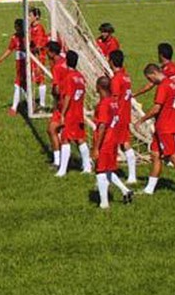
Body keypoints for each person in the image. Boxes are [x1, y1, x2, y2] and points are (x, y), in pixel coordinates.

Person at [134, 64, 175, 195]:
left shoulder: (163, 86)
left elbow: (157, 108)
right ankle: (149, 189)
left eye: (150, 79)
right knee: (155, 155)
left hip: (165, 127)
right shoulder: (173, 85)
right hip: (166, 124)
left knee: (173, 155)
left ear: (153, 74)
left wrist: (141, 120)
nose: (151, 82)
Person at [92, 76, 133, 209]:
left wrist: (96, 148)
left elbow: (103, 125)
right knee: (108, 169)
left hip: (105, 142)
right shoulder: (114, 103)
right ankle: (125, 191)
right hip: (113, 140)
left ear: (99, 87)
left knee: (100, 171)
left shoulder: (104, 104)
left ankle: (104, 203)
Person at [55, 50, 92, 177]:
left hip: (70, 113)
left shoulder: (68, 77)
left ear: (66, 62)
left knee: (65, 139)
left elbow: (68, 97)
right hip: (79, 111)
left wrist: (63, 114)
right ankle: (87, 166)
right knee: (80, 138)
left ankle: (62, 170)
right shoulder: (80, 77)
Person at [108, 50, 137, 183]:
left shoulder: (116, 79)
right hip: (126, 113)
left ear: (111, 62)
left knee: (121, 144)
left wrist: (111, 115)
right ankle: (129, 175)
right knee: (123, 143)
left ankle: (126, 175)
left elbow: (114, 98)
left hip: (118, 115)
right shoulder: (126, 76)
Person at [0, 18, 25, 116]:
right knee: (22, 85)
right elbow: (9, 50)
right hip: (19, 65)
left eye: (17, 27)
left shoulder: (27, 36)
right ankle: (31, 105)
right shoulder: (14, 37)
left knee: (18, 84)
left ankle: (14, 107)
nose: (16, 29)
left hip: (27, 64)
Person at [46, 41, 68, 167]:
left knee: (51, 129)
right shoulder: (64, 61)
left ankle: (58, 161)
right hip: (70, 100)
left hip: (62, 102)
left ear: (52, 52)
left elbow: (57, 88)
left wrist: (54, 94)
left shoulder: (56, 66)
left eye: (47, 51)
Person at [28, 7, 48, 109]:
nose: (28, 17)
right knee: (32, 78)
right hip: (32, 56)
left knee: (40, 79)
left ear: (37, 17)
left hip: (38, 57)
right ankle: (33, 102)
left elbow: (39, 46)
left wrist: (32, 46)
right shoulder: (31, 28)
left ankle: (42, 103)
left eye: (30, 15)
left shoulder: (39, 28)